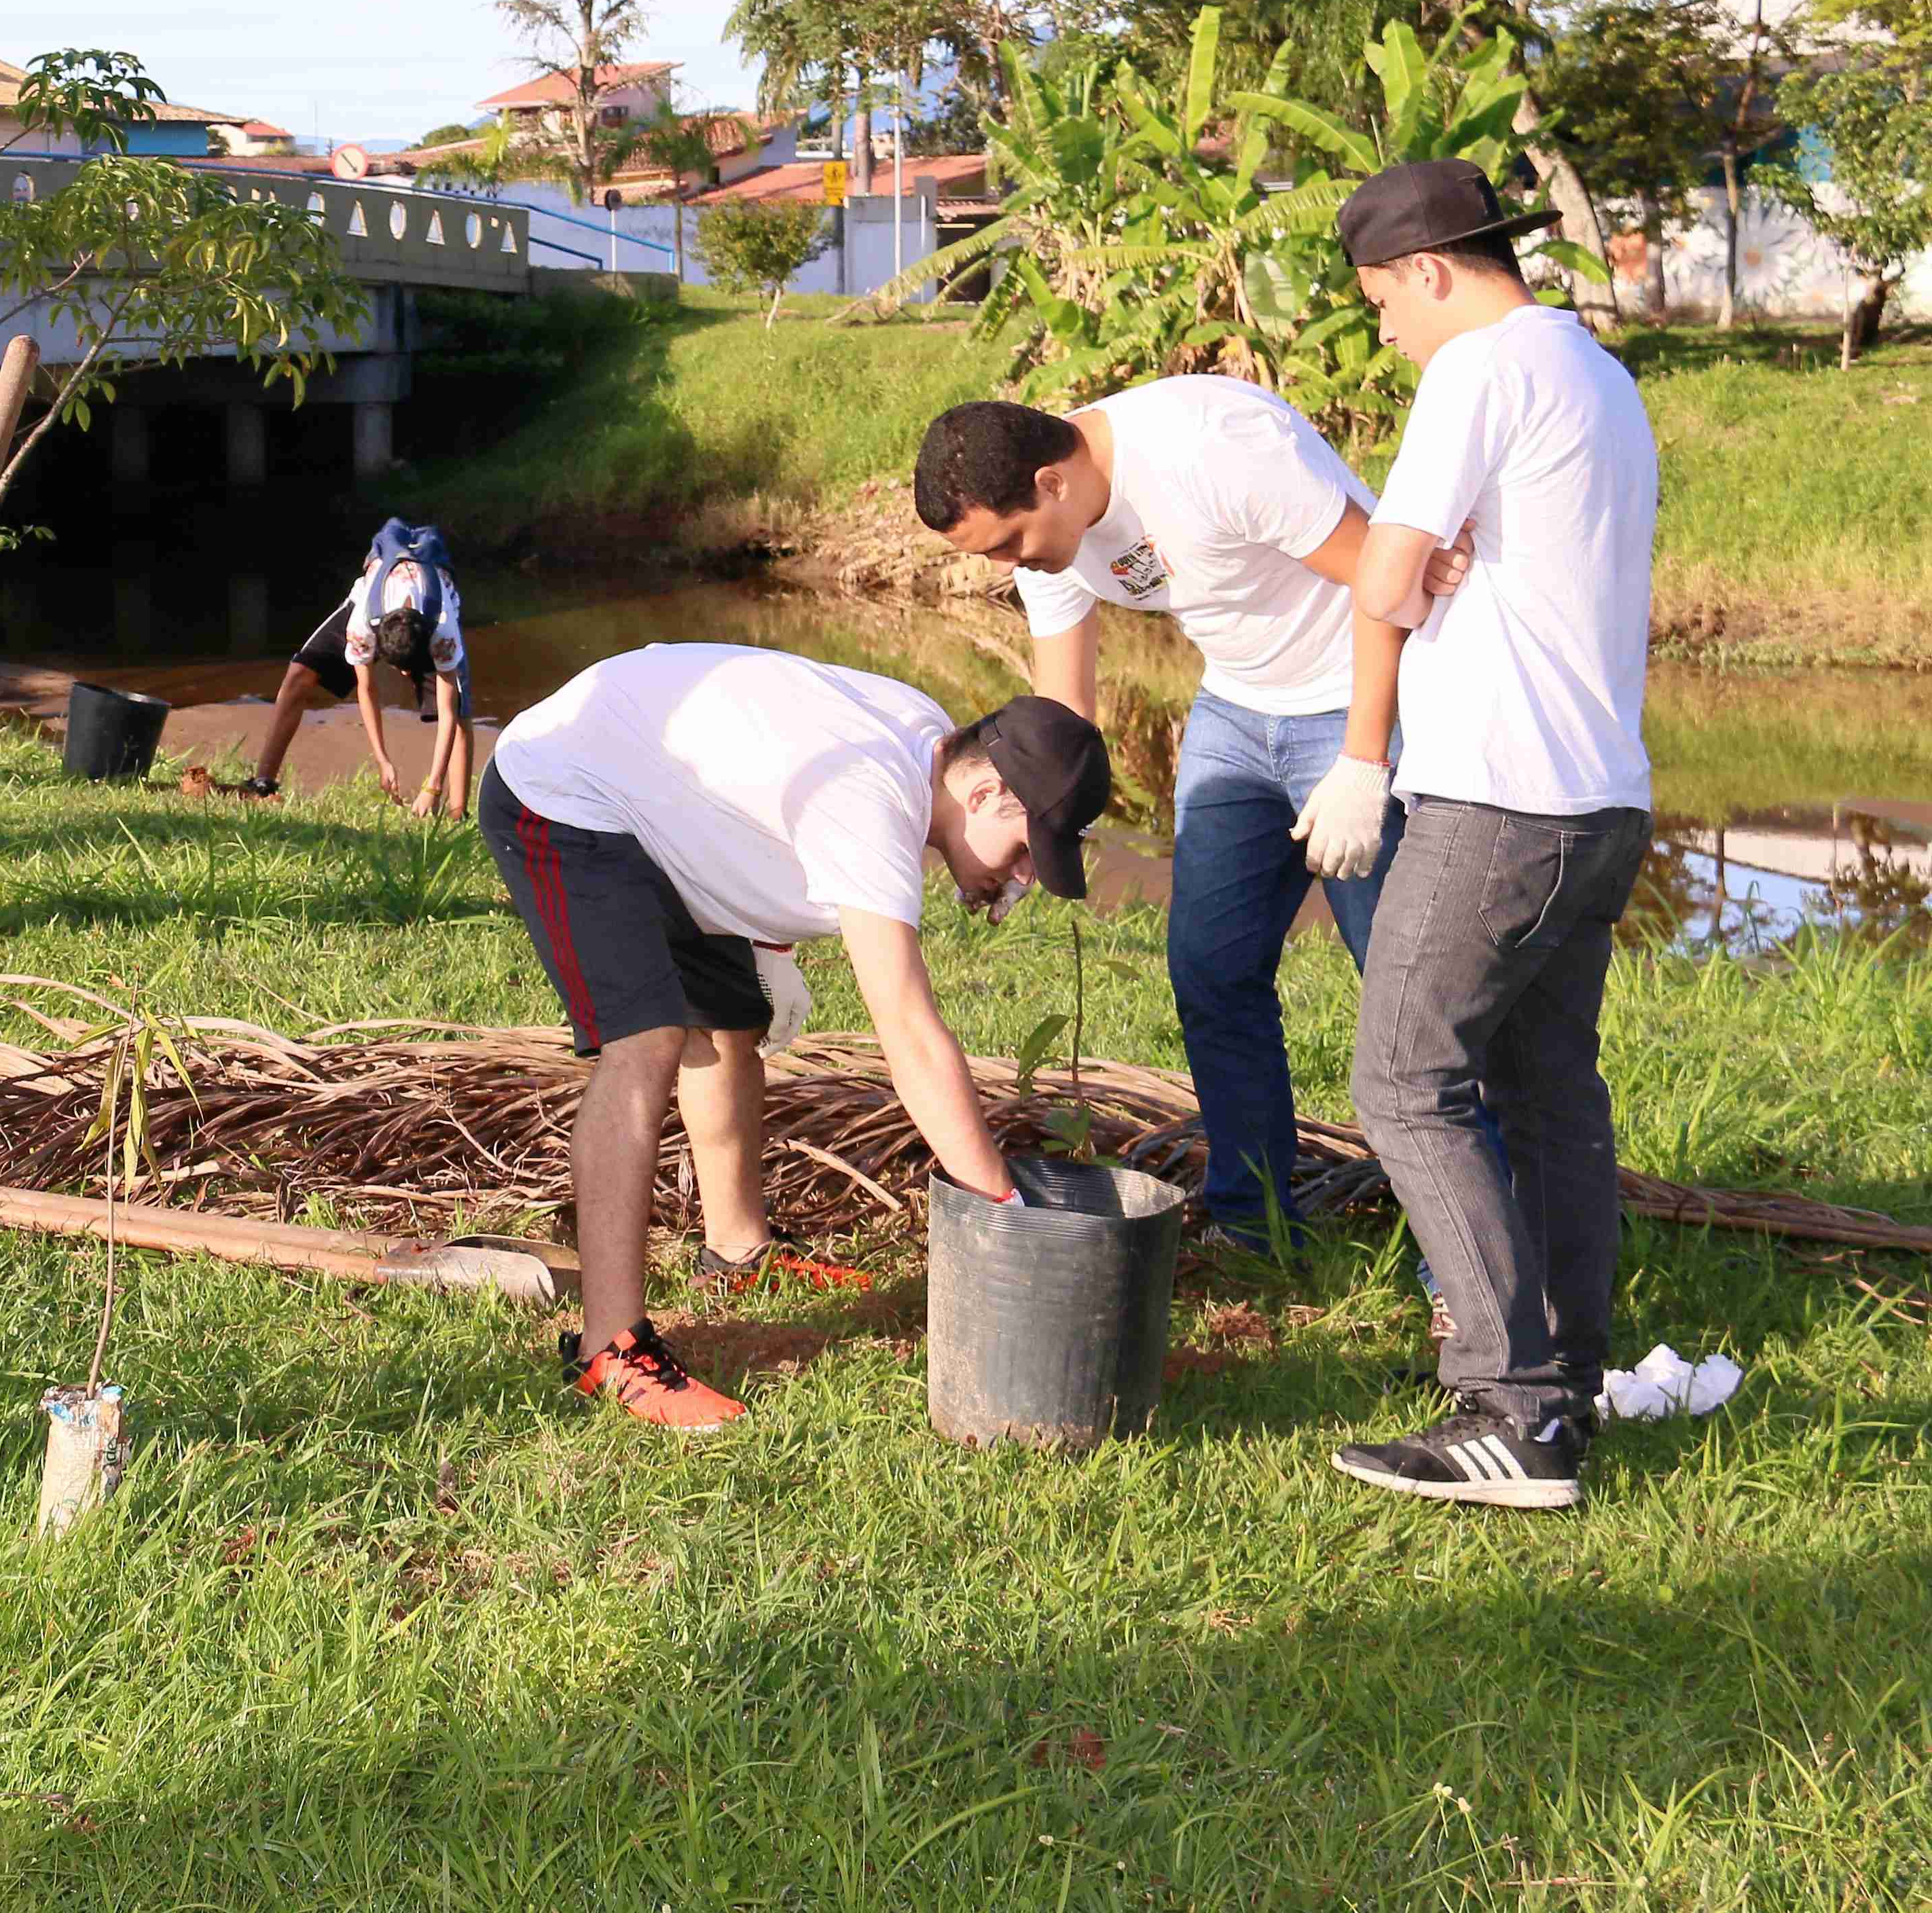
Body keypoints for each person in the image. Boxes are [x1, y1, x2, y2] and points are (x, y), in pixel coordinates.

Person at [479, 644, 1109, 1433]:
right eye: (1024, 854)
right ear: (986, 791)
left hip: (658, 799)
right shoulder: (873, 799)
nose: (1020, 879)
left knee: (732, 1024)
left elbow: (764, 772)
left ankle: (737, 1254)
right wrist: (1009, 1214)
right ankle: (610, 1349)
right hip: (564, 793)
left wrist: (765, 937)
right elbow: (909, 1034)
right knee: (646, 1043)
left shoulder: (926, 739)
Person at [911, 383, 1476, 1258]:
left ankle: (1474, 1271)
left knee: (1408, 994)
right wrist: (1024, 841)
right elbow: (1061, 735)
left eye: (1012, 542)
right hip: (1237, 713)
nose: (1011, 566)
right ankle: (1256, 1230)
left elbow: (1393, 587)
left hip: (1364, 698)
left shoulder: (1212, 447)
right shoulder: (1051, 548)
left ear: (1052, 482)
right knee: (1212, 974)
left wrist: (1365, 762)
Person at [1315, 161, 1656, 1514]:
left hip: (1496, 802)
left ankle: (1508, 1413)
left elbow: (1387, 575)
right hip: (1601, 800)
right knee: (1549, 1095)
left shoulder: (1478, 371)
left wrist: (1357, 753)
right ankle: (1565, 1381)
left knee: (1403, 1083)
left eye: (1382, 301)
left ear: (1433, 271)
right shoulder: (1598, 375)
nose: (1385, 330)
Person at [235, 520, 473, 814]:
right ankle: (263, 782)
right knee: (299, 675)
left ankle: (456, 813)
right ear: (377, 643)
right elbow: (366, 687)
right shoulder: (363, 624)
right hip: (375, 600)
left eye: (407, 671)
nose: (401, 676)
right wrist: (382, 760)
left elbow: (448, 710)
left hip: (430, 607)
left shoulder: (442, 631)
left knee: (460, 715)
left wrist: (432, 787)